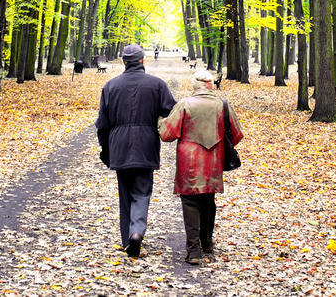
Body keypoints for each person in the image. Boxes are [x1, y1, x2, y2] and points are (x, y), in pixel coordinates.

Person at [96, 43, 176, 257]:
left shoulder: (110, 86)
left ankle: (127, 240)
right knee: (141, 193)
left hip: (119, 146)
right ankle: (136, 233)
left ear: (124, 61)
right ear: (142, 61)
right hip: (146, 145)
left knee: (124, 194)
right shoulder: (157, 85)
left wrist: (105, 149)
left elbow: (102, 123)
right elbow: (173, 111)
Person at [159, 69, 244, 265]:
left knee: (190, 203)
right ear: (209, 84)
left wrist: (159, 122)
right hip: (213, 162)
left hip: (189, 162)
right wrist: (219, 145)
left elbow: (167, 134)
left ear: (194, 86)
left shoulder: (184, 104)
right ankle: (206, 242)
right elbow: (237, 134)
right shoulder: (222, 105)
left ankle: (194, 251)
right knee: (208, 200)